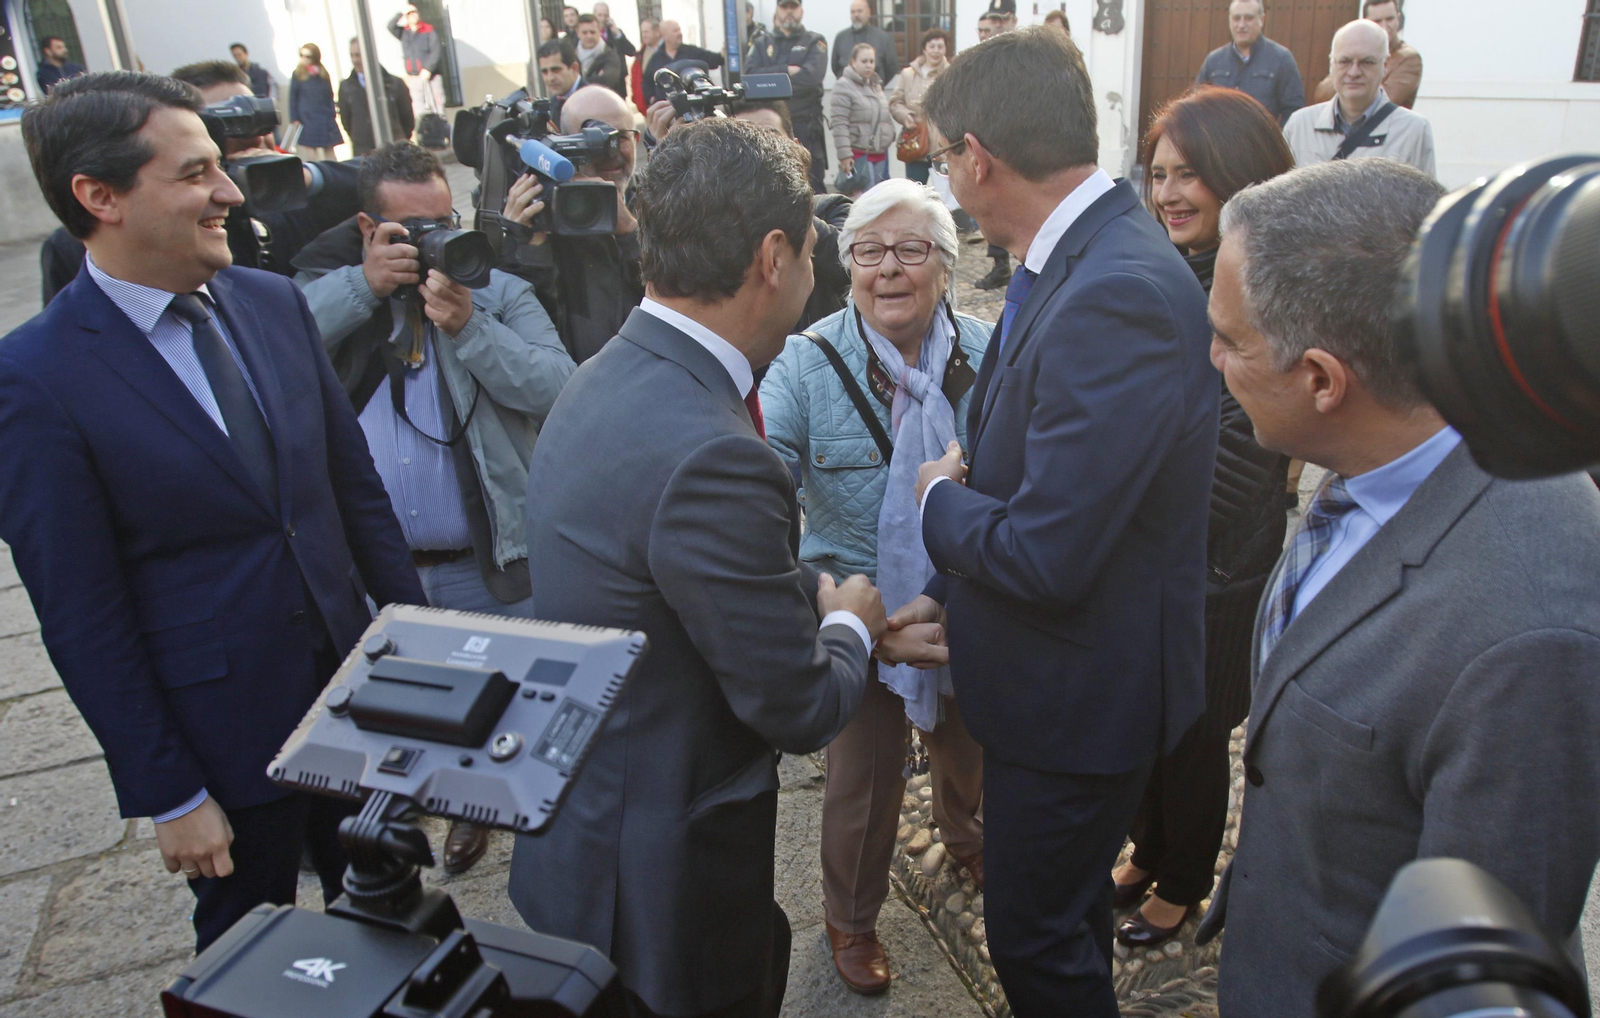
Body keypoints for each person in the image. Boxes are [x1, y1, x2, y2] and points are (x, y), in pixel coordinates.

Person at [0, 70, 425, 954]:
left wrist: (420, 675)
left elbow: (356, 502)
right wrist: (171, 792)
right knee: (246, 964)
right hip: (226, 747)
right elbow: (81, 612)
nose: (229, 191)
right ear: (99, 196)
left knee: (394, 930)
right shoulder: (37, 379)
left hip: (356, 707)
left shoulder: (272, 306)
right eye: (196, 173)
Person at [1199, 155, 1600, 1018]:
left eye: (1230, 340)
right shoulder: (1377, 458)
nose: (1212, 358)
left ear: (1321, 380)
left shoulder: (1530, 635)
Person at [509, 115, 885, 1018]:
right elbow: (798, 706)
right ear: (772, 257)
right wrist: (851, 628)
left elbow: (683, 574)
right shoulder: (714, 449)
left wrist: (824, 604)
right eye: (811, 252)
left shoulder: (608, 371)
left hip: (589, 830)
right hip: (659, 887)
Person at [897, 28, 1215, 1016]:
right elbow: (1013, 452)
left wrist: (935, 503)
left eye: (943, 155)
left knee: (1032, 938)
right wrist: (948, 595)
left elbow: (1046, 550)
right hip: (1054, 675)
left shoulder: (1113, 287)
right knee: (1061, 919)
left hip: (1080, 698)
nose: (946, 176)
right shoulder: (1064, 255)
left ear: (977, 157)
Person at [291, 142, 575, 876]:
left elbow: (555, 386)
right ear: (367, 227)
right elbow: (277, 346)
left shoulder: (497, 290)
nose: (432, 242)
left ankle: (528, 849)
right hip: (379, 575)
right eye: (410, 230)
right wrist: (363, 287)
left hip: (492, 564)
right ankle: (446, 813)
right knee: (411, 721)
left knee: (524, 727)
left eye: (442, 220)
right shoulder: (336, 289)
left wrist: (469, 328)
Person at [761, 178, 990, 995]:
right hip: (856, 608)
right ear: (845, 264)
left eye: (911, 250)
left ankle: (968, 838)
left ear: (946, 266)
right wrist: (848, 612)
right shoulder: (803, 361)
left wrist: (954, 594)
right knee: (860, 784)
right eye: (869, 252)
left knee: (971, 742)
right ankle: (851, 920)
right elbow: (763, 492)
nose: (888, 270)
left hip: (965, 596)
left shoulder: (990, 352)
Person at [1107, 85, 1293, 950]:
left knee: (1193, 737)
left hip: (1220, 572)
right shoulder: (1169, 273)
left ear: (1238, 175)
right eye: (1158, 174)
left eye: (1190, 174)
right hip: (1160, 564)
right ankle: (1148, 850)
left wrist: (1113, 503)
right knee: (1148, 725)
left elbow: (1241, 465)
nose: (1170, 192)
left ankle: (1182, 881)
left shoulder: (1264, 292)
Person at [502, 85, 642, 363]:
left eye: (620, 137)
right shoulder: (543, 217)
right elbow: (525, 336)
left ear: (636, 140)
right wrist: (527, 249)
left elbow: (683, 300)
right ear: (561, 145)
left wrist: (631, 233)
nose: (610, 151)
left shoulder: (661, 203)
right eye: (594, 139)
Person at [1284, 20, 1435, 176]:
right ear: (1331, 64)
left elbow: (1425, 199)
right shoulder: (1299, 127)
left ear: (1386, 65)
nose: (1354, 72)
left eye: (1367, 62)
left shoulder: (1413, 131)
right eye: (1345, 61)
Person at [744, 0, 829, 193]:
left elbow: (811, 79)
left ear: (801, 11)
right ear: (777, 10)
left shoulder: (815, 41)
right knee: (769, 188)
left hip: (805, 127)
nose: (789, 12)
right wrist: (786, 71)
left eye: (793, 7)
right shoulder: (761, 43)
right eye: (784, 7)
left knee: (812, 186)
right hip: (767, 129)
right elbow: (749, 77)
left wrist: (768, 83)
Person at [1194, 0, 1304, 125]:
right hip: (1218, 143)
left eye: (1248, 18)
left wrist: (1274, 141)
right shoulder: (1213, 61)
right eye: (1236, 18)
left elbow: (1293, 111)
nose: (1241, 25)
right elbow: (1196, 106)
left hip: (1260, 143)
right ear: (1230, 20)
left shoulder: (1281, 59)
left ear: (1262, 20)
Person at [1312, 0, 1419, 108]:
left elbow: (1383, 102)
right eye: (1377, 21)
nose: (1385, 26)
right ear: (1365, 22)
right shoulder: (1353, 51)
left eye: (1390, 19)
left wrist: (1346, 85)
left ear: (1398, 18)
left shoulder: (1409, 58)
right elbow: (1321, 95)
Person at [830, 44, 895, 196]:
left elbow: (883, 116)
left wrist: (889, 135)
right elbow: (839, 124)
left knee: (880, 200)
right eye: (864, 61)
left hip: (880, 154)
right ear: (853, 62)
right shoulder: (843, 86)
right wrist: (845, 156)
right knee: (867, 201)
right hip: (859, 155)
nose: (868, 65)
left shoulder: (875, 85)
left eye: (871, 61)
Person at [888, 28, 951, 185]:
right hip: (915, 144)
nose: (936, 51)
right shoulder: (908, 74)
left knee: (946, 199)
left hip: (942, 148)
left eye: (940, 46)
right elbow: (896, 102)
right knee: (914, 195)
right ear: (924, 48)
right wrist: (905, 116)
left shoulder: (951, 74)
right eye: (932, 46)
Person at [340, 36, 415, 156]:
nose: (355, 60)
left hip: (393, 149)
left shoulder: (394, 84)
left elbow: (407, 118)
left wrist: (399, 139)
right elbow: (346, 121)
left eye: (358, 55)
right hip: (363, 151)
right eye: (352, 55)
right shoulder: (346, 87)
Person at [643, 20, 722, 106]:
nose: (679, 33)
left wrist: (725, 52)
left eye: (679, 30)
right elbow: (646, 82)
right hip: (666, 108)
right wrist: (651, 98)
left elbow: (715, 60)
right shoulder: (656, 58)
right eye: (675, 31)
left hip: (692, 108)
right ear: (665, 35)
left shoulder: (691, 52)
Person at [388, 4, 444, 122]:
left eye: (414, 12)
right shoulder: (404, 32)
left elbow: (436, 51)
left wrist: (428, 69)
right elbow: (390, 26)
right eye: (409, 14)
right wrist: (401, 12)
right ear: (406, 17)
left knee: (437, 106)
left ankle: (441, 130)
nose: (412, 15)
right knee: (419, 108)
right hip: (414, 77)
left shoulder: (428, 30)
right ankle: (424, 133)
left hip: (431, 76)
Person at [289, 43, 341, 160]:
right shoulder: (298, 74)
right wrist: (294, 118)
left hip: (324, 115)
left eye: (308, 56)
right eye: (301, 55)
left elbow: (330, 95)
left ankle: (335, 173)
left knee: (329, 148)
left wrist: (331, 112)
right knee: (311, 150)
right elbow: (293, 97)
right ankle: (317, 173)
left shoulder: (323, 73)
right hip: (307, 117)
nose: (304, 59)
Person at [832, 0, 899, 84]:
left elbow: (892, 67)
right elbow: (835, 67)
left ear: (868, 13)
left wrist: (878, 85)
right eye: (853, 12)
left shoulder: (882, 37)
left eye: (860, 11)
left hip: (873, 91)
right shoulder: (841, 37)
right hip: (846, 92)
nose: (856, 15)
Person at [574, 14, 626, 98]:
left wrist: (576, 81)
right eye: (584, 32)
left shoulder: (610, 54)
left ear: (599, 31)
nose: (589, 36)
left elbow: (607, 81)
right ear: (577, 32)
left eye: (592, 32)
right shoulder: (572, 55)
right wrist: (596, 79)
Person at [632, 17, 660, 116]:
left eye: (646, 32)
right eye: (642, 32)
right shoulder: (641, 54)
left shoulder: (668, 51)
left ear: (657, 32)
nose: (643, 35)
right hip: (649, 106)